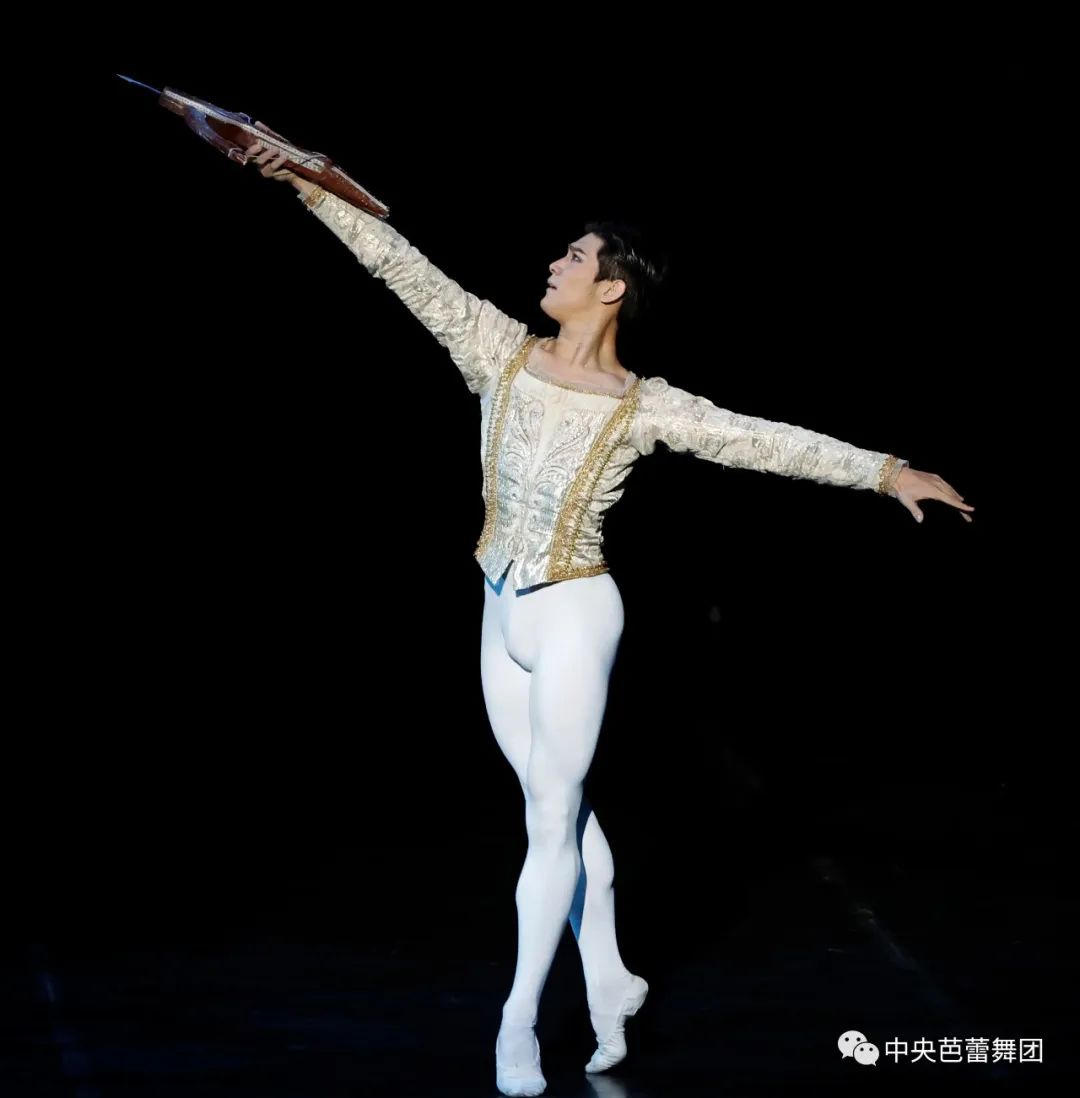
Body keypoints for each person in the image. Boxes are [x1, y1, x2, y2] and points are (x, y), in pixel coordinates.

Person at [243, 126, 973, 1097]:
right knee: (558, 807)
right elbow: (398, 260)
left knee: (550, 818)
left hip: (576, 617)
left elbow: (764, 440)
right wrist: (304, 182)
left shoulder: (643, 405)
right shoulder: (496, 348)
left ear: (613, 287)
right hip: (498, 608)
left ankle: (516, 1026)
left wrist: (884, 472)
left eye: (576, 256)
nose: (555, 263)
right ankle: (611, 976)